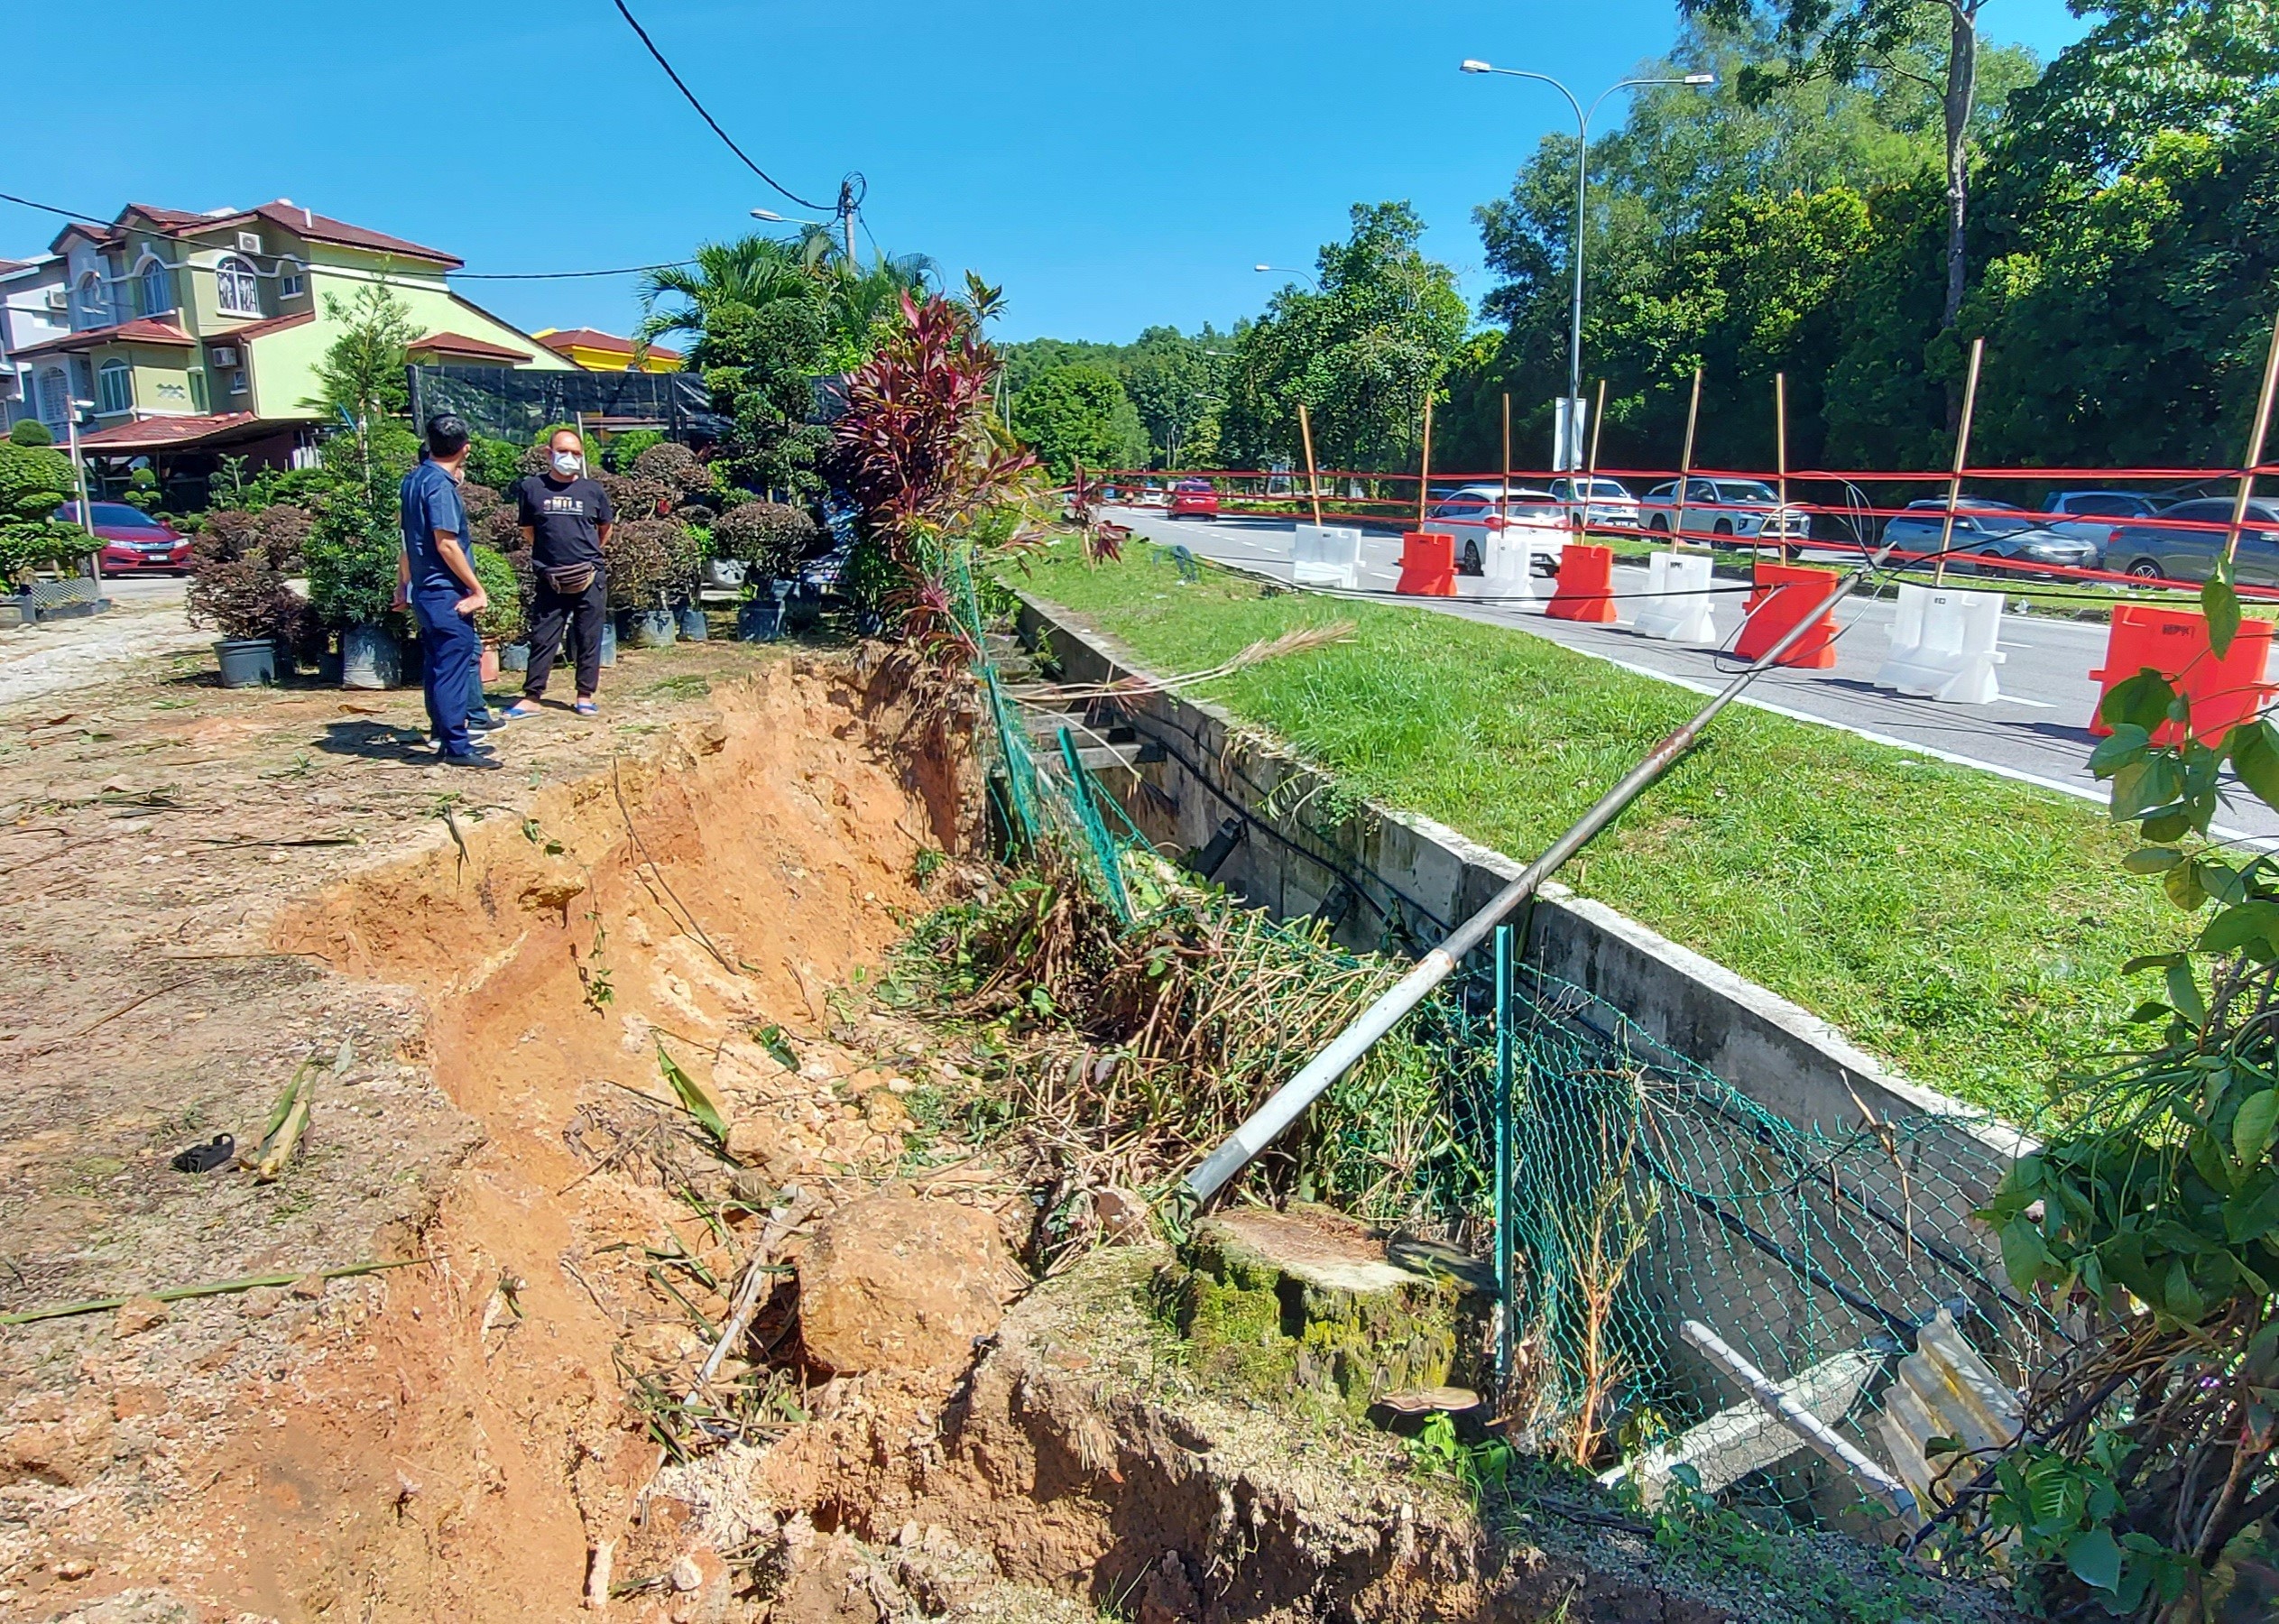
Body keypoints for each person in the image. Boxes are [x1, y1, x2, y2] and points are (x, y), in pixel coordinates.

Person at [394, 413, 500, 770]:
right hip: (446, 593)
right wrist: (477, 589)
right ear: (465, 449)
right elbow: (446, 544)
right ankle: (457, 745)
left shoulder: (414, 480)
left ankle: (444, 736)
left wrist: (402, 583)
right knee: (453, 667)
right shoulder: (440, 488)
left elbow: (407, 540)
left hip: (425, 591)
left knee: (438, 666)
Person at [504, 428, 614, 720]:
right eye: (563, 451)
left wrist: (587, 555)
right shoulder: (532, 488)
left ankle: (584, 695)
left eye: (576, 453)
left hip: (589, 575)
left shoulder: (593, 490)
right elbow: (528, 530)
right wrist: (550, 556)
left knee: (588, 637)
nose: (569, 457)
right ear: (548, 453)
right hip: (550, 577)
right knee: (543, 637)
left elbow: (605, 528)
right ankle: (532, 697)